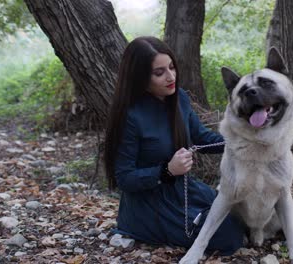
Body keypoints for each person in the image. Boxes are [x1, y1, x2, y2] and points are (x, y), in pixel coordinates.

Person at [103, 36, 245, 255]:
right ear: (140, 77)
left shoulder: (179, 98)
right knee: (229, 236)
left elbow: (202, 138)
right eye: (159, 73)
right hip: (150, 205)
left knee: (240, 213)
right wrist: (167, 170)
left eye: (171, 67)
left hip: (185, 189)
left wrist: (243, 142)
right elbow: (124, 178)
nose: (170, 76)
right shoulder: (129, 116)